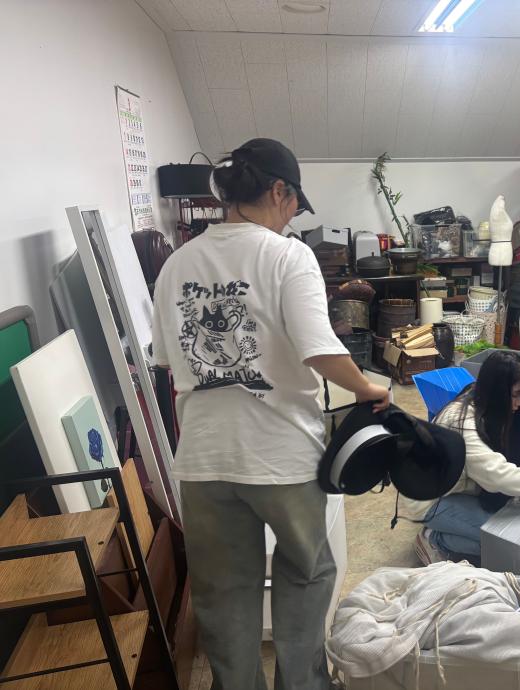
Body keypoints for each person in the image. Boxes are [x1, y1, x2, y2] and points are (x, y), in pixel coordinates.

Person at [151, 137, 389, 690]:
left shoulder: (177, 264)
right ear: (279, 190)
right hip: (281, 457)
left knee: (223, 591)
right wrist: (366, 387)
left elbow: (166, 359)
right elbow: (320, 349)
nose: (291, 218)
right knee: (306, 572)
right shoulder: (287, 256)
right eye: (293, 205)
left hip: (205, 461)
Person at [401, 351, 520, 564]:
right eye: (515, 395)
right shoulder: (460, 421)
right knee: (505, 543)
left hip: (464, 490)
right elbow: (495, 474)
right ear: (497, 391)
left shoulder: (500, 408)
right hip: (431, 500)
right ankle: (435, 539)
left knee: (517, 531)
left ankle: (456, 527)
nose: (519, 403)